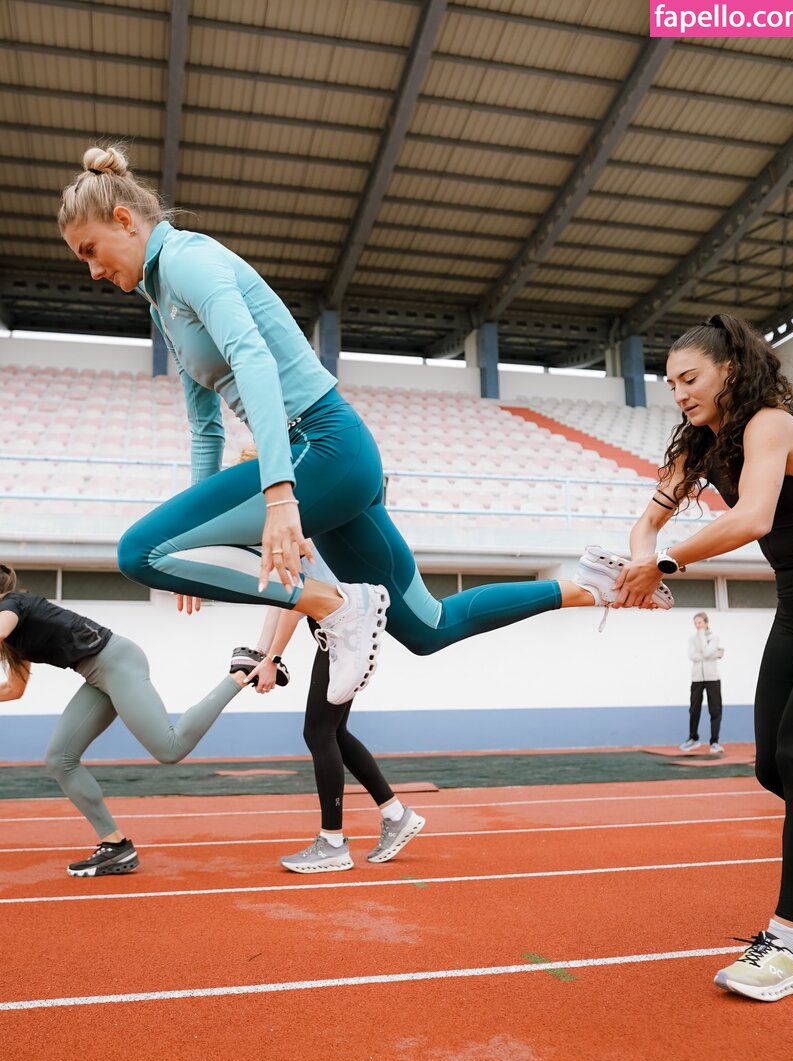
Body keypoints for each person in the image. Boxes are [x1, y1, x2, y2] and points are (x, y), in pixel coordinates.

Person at [57, 146, 670, 682]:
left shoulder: (187, 260)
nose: (92, 270)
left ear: (125, 220)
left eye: (91, 250)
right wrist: (198, 533)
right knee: (428, 627)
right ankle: (593, 585)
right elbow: (205, 426)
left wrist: (278, 495)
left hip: (322, 447)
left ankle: (336, 607)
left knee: (137, 552)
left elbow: (254, 360)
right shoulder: (160, 299)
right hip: (332, 462)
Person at [613, 312, 793, 1003]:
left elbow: (754, 516)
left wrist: (665, 564)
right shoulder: (700, 445)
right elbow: (648, 519)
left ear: (730, 370)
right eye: (670, 384)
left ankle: (786, 944)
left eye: (690, 378)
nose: (679, 394)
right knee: (772, 766)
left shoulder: (771, 425)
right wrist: (640, 560)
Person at [0, 564, 257, 878]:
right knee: (59, 759)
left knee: (170, 748)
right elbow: (14, 689)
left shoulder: (13, 604)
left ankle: (240, 672)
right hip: (96, 674)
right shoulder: (13, 636)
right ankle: (115, 844)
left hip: (115, 660)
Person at [233, 603, 425, 873]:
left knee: (319, 734)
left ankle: (332, 843)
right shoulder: (283, 576)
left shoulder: (295, 572)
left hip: (342, 637)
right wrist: (261, 654)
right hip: (342, 636)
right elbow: (280, 602)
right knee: (335, 733)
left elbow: (291, 606)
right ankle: (396, 814)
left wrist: (272, 660)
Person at [680, 612, 724, 754]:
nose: (697, 625)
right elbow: (692, 656)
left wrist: (703, 639)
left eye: (699, 622)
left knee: (715, 710)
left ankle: (715, 742)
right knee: (694, 709)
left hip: (713, 678)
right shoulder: (692, 639)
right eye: (695, 623)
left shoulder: (714, 637)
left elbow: (706, 652)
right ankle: (693, 739)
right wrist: (714, 655)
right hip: (697, 678)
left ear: (706, 622)